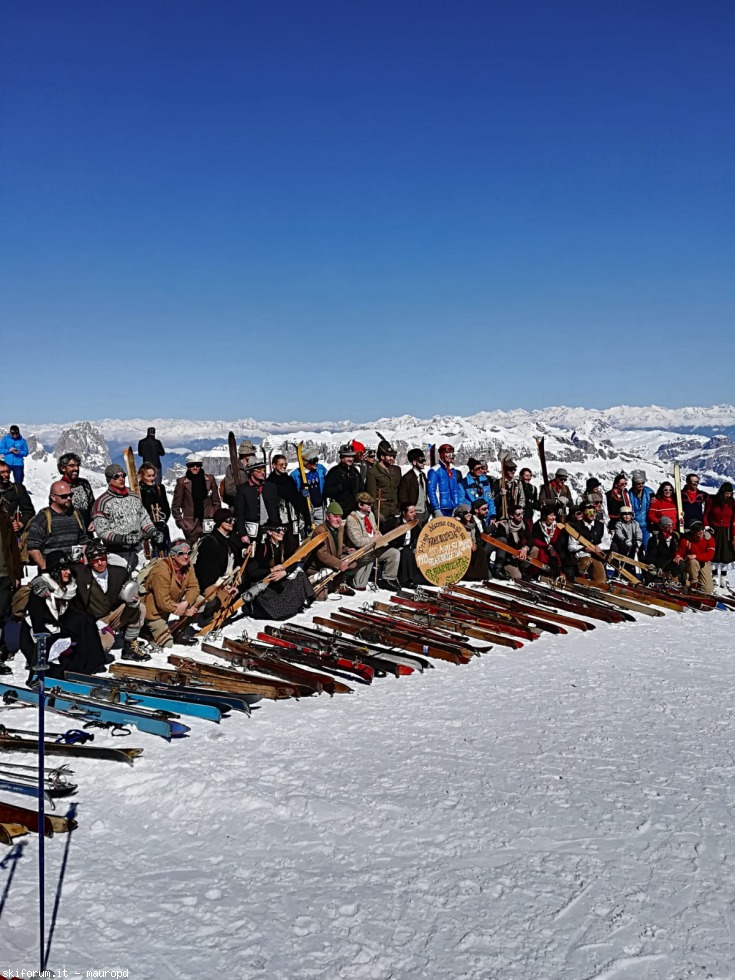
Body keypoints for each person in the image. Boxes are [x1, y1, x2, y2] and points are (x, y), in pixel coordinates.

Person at [21, 550, 107, 678]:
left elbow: (78, 611)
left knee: (84, 621)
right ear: (55, 572)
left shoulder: (70, 587)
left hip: (58, 628)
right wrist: (60, 642)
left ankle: (91, 665)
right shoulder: (41, 591)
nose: (68, 572)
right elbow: (38, 625)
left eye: (68, 569)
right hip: (39, 635)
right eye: (63, 570)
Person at [73, 540, 149, 661]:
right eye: (95, 560)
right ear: (89, 561)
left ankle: (130, 646)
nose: (100, 563)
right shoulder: (80, 573)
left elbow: (128, 592)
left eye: (102, 559)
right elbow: (59, 572)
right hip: (93, 621)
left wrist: (132, 599)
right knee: (104, 645)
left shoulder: (119, 572)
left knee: (140, 608)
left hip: (112, 615)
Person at [93, 464, 161, 569]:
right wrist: (123, 538)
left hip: (138, 550)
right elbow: (102, 531)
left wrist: (153, 531)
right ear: (109, 480)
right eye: (116, 476)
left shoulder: (133, 496)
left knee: (144, 581)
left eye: (123, 475)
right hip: (117, 555)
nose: (121, 478)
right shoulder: (102, 502)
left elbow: (143, 518)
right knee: (122, 584)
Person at [244, 522, 315, 619]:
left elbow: (293, 562)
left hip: (277, 583)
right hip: (263, 586)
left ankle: (302, 602)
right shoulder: (262, 547)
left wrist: (284, 572)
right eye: (278, 530)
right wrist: (271, 570)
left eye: (284, 530)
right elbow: (252, 572)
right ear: (269, 532)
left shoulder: (283, 545)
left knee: (299, 575)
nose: (282, 532)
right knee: (280, 611)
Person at [142, 539, 201, 648]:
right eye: (181, 554)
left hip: (174, 604)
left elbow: (194, 587)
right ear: (173, 555)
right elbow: (162, 602)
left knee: (199, 601)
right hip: (156, 612)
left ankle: (178, 630)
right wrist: (186, 612)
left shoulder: (188, 565)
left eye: (188, 553)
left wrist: (186, 603)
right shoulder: (161, 570)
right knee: (167, 644)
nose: (186, 557)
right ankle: (145, 628)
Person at [27, 481, 89, 569]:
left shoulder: (76, 515)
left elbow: (83, 539)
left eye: (70, 495)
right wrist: (44, 568)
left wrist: (84, 561)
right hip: (52, 570)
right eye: (64, 496)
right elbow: (33, 547)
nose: (69, 498)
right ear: (53, 497)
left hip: (75, 569)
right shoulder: (42, 518)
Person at [345, 491, 400, 591]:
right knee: (360, 586)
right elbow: (358, 541)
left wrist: (383, 540)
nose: (371, 505)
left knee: (394, 553)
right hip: (363, 553)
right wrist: (373, 539)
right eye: (368, 504)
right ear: (360, 505)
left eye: (371, 503)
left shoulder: (370, 515)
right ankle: (351, 577)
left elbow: (375, 530)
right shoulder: (352, 519)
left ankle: (388, 578)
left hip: (375, 549)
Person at [172, 454, 222, 546]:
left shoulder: (209, 479)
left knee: (210, 548)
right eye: (192, 465)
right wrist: (182, 524)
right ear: (187, 466)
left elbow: (216, 501)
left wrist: (214, 515)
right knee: (192, 552)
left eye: (198, 465)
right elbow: (175, 506)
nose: (195, 467)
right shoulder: (182, 482)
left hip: (209, 522)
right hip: (190, 525)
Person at [309, 501, 356, 597]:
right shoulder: (320, 531)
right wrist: (339, 564)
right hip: (318, 567)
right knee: (321, 598)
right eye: (335, 516)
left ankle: (337, 584)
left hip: (332, 561)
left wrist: (346, 549)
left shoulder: (339, 528)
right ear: (327, 517)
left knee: (353, 560)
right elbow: (322, 554)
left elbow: (338, 544)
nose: (338, 519)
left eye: (340, 516)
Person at [267, 454, 308, 557]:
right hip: (279, 519)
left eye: (285, 464)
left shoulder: (289, 480)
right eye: (281, 464)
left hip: (292, 516)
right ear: (274, 465)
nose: (283, 467)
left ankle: (293, 566)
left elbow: (294, 496)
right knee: (281, 545)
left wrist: (302, 496)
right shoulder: (270, 482)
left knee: (293, 543)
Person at [234, 459, 281, 543]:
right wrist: (243, 534)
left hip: (271, 529)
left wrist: (278, 527)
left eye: (263, 469)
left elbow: (276, 508)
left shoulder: (271, 487)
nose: (262, 472)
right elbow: (239, 513)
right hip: (251, 531)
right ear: (251, 472)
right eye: (259, 470)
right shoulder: (242, 490)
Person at [0, 507, 22, 673]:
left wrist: (16, 573)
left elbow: (13, 546)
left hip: (4, 573)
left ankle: (2, 649)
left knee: (2, 614)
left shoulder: (3, 514)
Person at [704, 482, 735, 591]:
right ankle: (715, 576)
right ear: (722, 492)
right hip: (714, 530)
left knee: (726, 555)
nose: (728, 495)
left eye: (730, 493)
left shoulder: (732, 503)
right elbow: (706, 515)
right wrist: (707, 527)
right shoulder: (713, 501)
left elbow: (734, 520)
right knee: (715, 553)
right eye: (726, 493)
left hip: (727, 531)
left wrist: (734, 535)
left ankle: (724, 576)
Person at [365, 440, 401, 531]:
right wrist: (376, 511)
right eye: (389, 456)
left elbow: (399, 489)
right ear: (382, 456)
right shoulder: (372, 472)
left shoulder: (396, 470)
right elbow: (371, 494)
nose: (392, 458)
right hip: (382, 510)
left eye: (393, 456)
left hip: (394, 509)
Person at [492, 504, 534, 581]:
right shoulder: (504, 525)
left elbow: (531, 539)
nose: (521, 516)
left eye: (522, 513)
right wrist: (514, 554)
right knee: (517, 577)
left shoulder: (523, 524)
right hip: (508, 557)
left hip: (519, 553)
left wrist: (525, 548)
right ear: (511, 516)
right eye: (518, 514)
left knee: (535, 549)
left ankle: (523, 569)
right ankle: (504, 569)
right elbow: (503, 545)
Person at [138, 463, 172, 556]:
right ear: (142, 476)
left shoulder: (160, 488)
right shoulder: (138, 491)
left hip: (162, 526)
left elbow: (166, 507)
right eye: (148, 476)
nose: (152, 478)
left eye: (153, 475)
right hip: (148, 529)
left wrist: (162, 520)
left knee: (165, 554)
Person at [674, 521, 715, 593]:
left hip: (704, 562)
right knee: (693, 562)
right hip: (691, 564)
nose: (700, 536)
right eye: (697, 534)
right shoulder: (686, 540)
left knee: (707, 589)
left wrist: (695, 556)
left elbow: (710, 555)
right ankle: (694, 583)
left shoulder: (709, 539)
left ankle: (700, 584)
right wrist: (678, 556)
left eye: (701, 533)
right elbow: (680, 552)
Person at [57, 452, 96, 528]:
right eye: (72, 466)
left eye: (77, 465)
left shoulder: (84, 483)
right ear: (63, 468)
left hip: (87, 531)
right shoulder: (58, 487)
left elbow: (92, 505)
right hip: (69, 530)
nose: (76, 469)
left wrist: (93, 521)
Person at [323, 444, 363, 517]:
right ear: (341, 457)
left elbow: (361, 489)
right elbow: (327, 492)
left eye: (352, 456)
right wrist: (341, 487)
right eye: (348, 456)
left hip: (355, 512)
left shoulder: (355, 472)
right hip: (339, 513)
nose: (351, 459)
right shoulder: (334, 472)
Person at [453, 503, 490, 581]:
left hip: (470, 547)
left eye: (470, 512)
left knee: (481, 551)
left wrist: (474, 544)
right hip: (460, 549)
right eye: (466, 513)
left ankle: (479, 575)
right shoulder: (456, 524)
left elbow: (474, 539)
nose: (469, 514)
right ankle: (467, 574)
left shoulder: (472, 524)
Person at [291, 450, 327, 526]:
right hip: (306, 509)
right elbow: (292, 493)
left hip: (320, 508)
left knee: (322, 530)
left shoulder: (321, 469)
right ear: (306, 462)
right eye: (313, 461)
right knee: (309, 532)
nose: (316, 463)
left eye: (316, 460)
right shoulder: (296, 474)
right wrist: (300, 494)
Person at [427, 444, 462, 518]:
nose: (451, 457)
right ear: (442, 455)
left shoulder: (452, 470)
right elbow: (431, 491)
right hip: (441, 508)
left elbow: (455, 490)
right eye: (448, 454)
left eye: (452, 454)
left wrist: (456, 505)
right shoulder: (434, 471)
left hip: (452, 508)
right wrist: (436, 509)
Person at [395, 503, 425, 588]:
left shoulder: (414, 524)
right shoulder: (396, 523)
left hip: (409, 547)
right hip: (398, 547)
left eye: (414, 511)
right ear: (404, 513)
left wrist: (414, 545)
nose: (414, 514)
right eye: (411, 512)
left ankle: (416, 578)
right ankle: (405, 580)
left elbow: (419, 536)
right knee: (406, 552)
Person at [0, 460, 35, 532]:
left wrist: (20, 523)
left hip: (11, 535)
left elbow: (29, 511)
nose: (6, 475)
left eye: (8, 471)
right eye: (2, 472)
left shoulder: (18, 489)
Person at [398, 449, 430, 526]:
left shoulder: (423, 475)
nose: (424, 463)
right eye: (421, 461)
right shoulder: (407, 478)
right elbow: (403, 497)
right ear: (414, 462)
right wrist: (409, 513)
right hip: (415, 514)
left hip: (425, 513)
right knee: (415, 537)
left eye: (424, 460)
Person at [223, 439, 257, 506]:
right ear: (246, 454)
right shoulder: (232, 468)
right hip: (237, 507)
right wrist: (246, 494)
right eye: (252, 454)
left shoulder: (253, 468)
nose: (254, 455)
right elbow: (229, 490)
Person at [532, 506, 563, 577]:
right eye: (551, 515)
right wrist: (547, 546)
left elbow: (558, 541)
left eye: (554, 515)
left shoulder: (556, 527)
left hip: (552, 549)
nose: (553, 517)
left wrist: (554, 549)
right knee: (541, 554)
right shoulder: (538, 525)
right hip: (542, 547)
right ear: (544, 516)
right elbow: (535, 539)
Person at [628, 470, 654, 549]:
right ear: (634, 484)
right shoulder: (629, 494)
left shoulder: (649, 493)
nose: (641, 485)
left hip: (645, 525)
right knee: (634, 546)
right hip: (633, 525)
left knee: (646, 545)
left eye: (642, 483)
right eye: (638, 483)